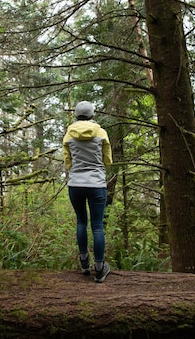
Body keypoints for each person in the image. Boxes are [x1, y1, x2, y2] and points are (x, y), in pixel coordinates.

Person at [63, 101, 113, 282]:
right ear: (93, 114)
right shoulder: (101, 133)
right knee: (97, 225)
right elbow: (108, 160)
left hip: (75, 183)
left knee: (81, 222)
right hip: (96, 184)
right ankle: (99, 269)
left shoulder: (69, 134)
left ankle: (84, 264)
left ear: (77, 114)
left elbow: (67, 162)